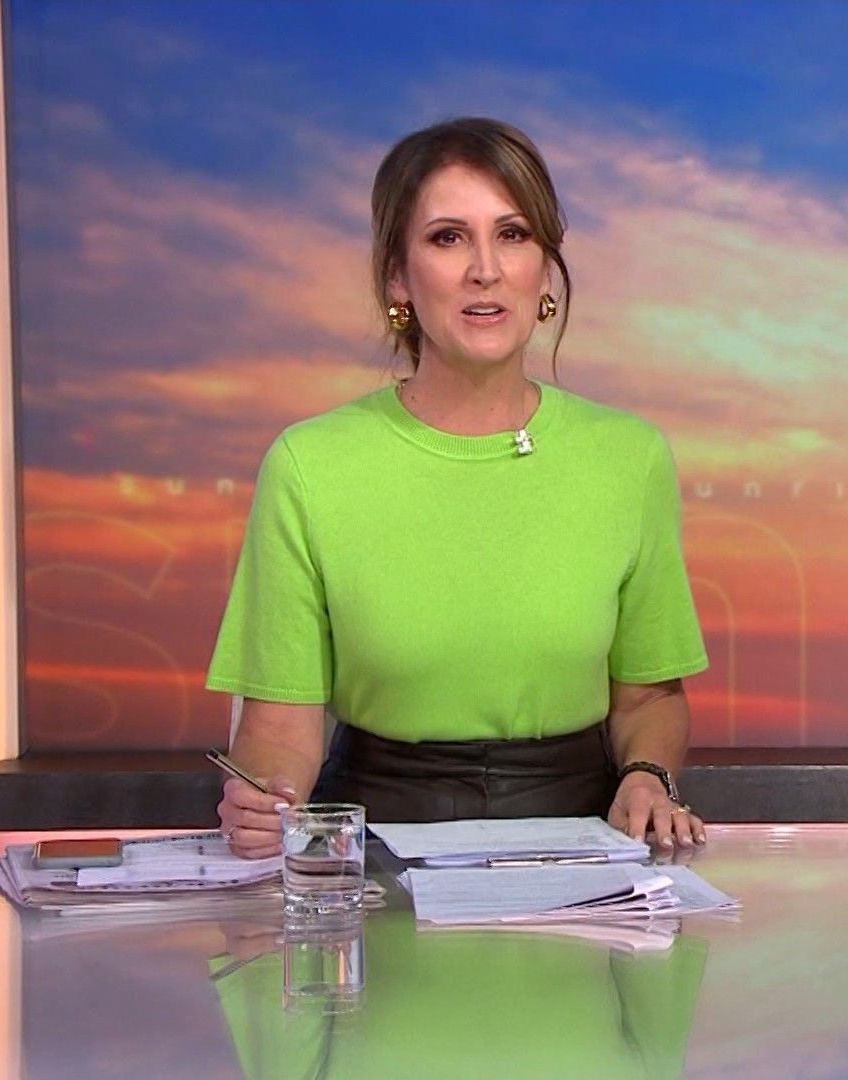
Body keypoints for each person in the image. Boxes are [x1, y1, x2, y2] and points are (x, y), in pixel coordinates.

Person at [206, 117, 709, 857]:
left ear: (545, 269)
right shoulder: (309, 465)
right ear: (397, 276)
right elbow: (281, 729)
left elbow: (649, 699)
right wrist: (265, 801)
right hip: (376, 849)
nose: (485, 269)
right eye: (448, 238)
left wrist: (647, 774)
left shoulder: (629, 458)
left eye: (513, 235)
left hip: (582, 857)